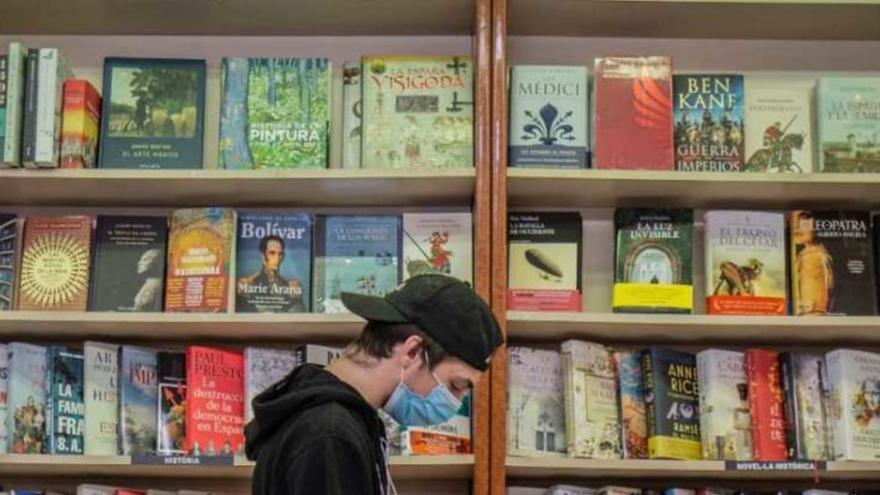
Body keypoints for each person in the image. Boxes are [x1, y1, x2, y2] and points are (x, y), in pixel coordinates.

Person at [245, 274, 503, 494]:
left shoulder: (340, 420)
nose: (454, 403)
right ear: (413, 352)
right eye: (456, 385)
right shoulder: (330, 434)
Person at [237, 235, 305, 312]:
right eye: (272, 253)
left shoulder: (291, 287)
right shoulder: (247, 284)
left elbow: (297, 317)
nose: (277, 258)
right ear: (263, 256)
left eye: (280, 254)